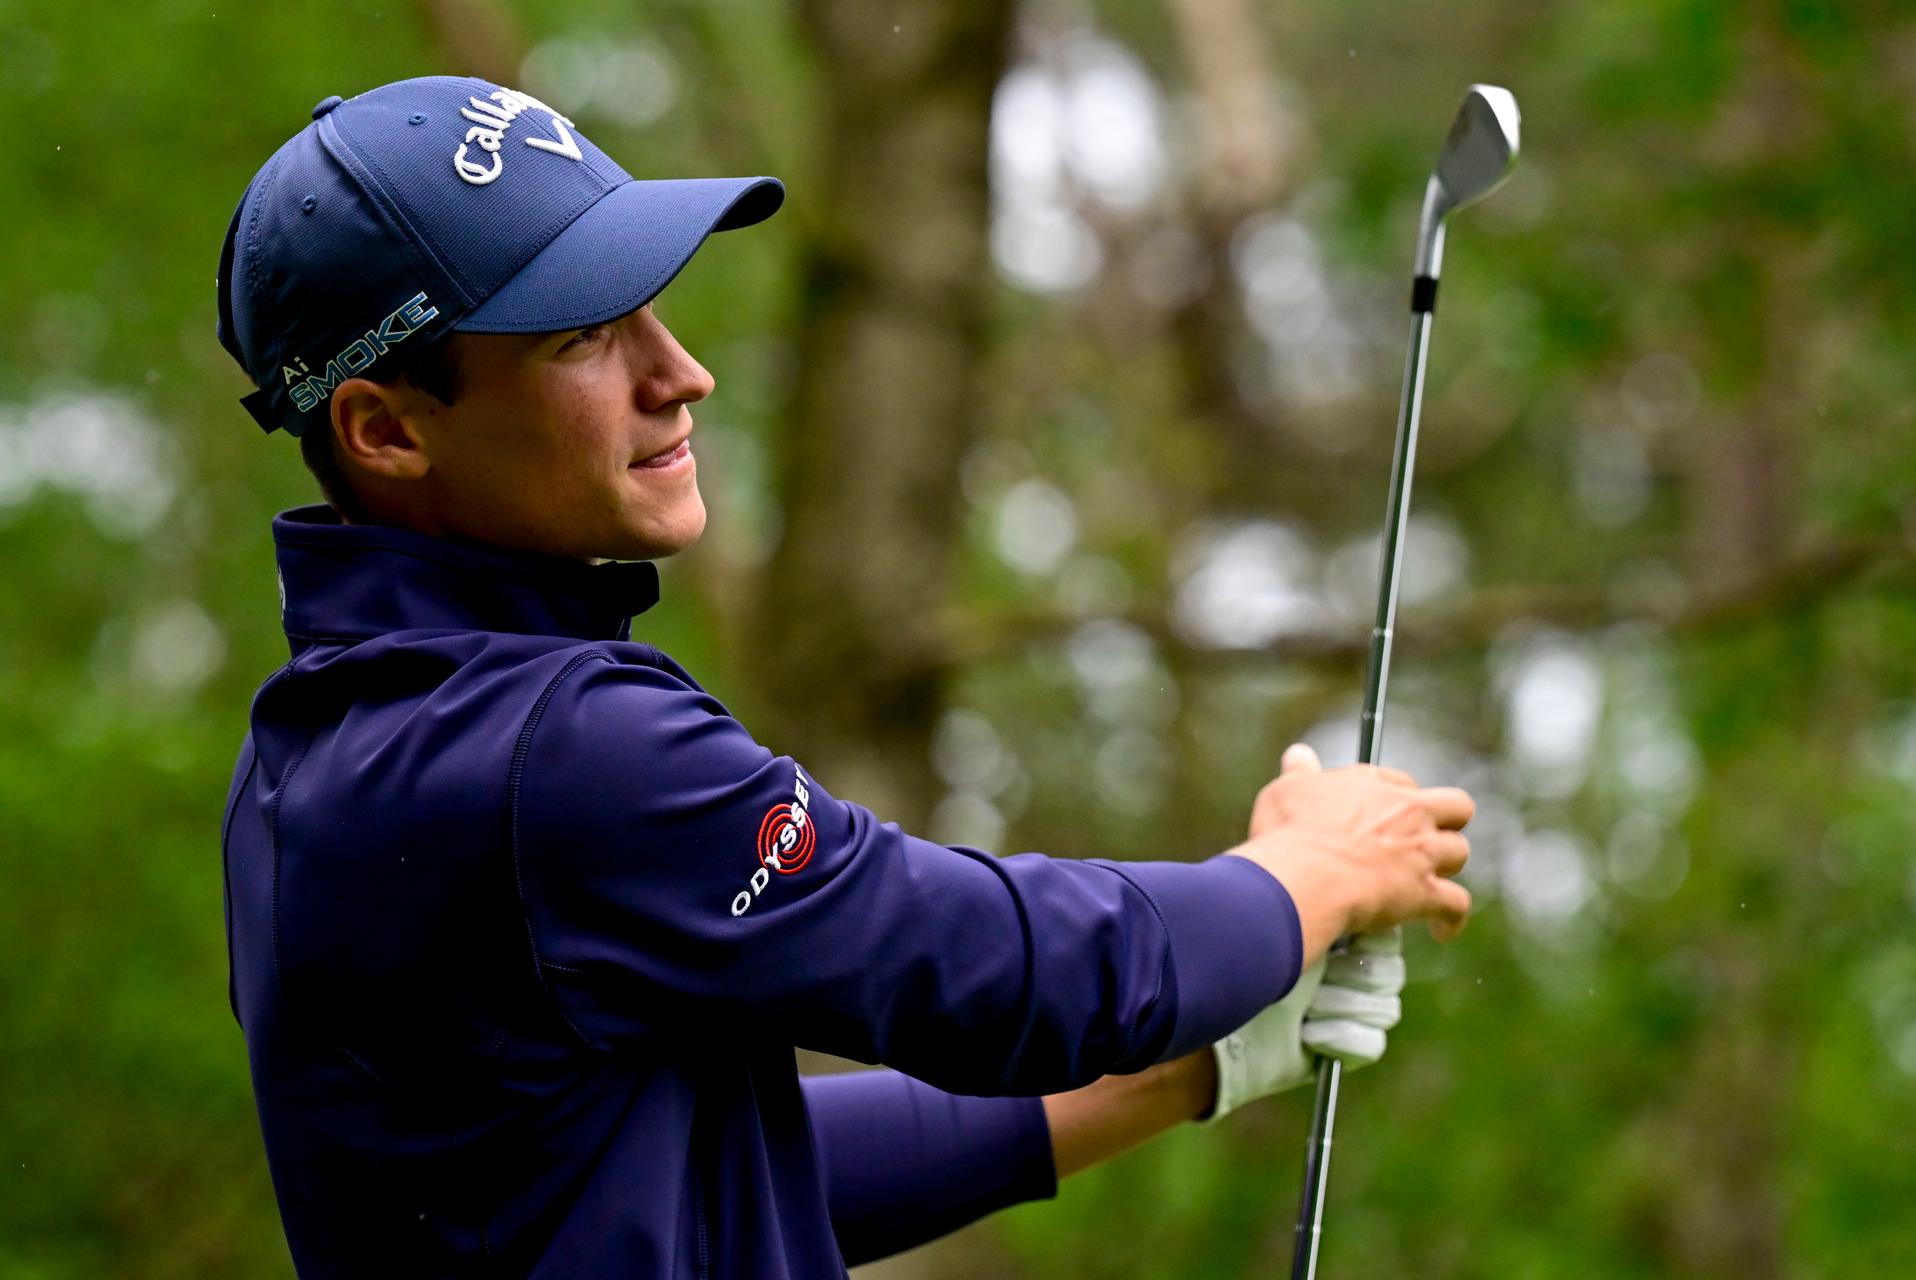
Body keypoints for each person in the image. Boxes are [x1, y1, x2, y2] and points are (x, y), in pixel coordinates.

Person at [214, 76, 1474, 1278]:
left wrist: (1186, 1067)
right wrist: (1310, 872)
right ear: (387, 429)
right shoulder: (561, 746)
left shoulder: (309, 760)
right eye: (586, 337)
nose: (679, 373)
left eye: (652, 307)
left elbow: (719, 1174)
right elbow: (1012, 971)